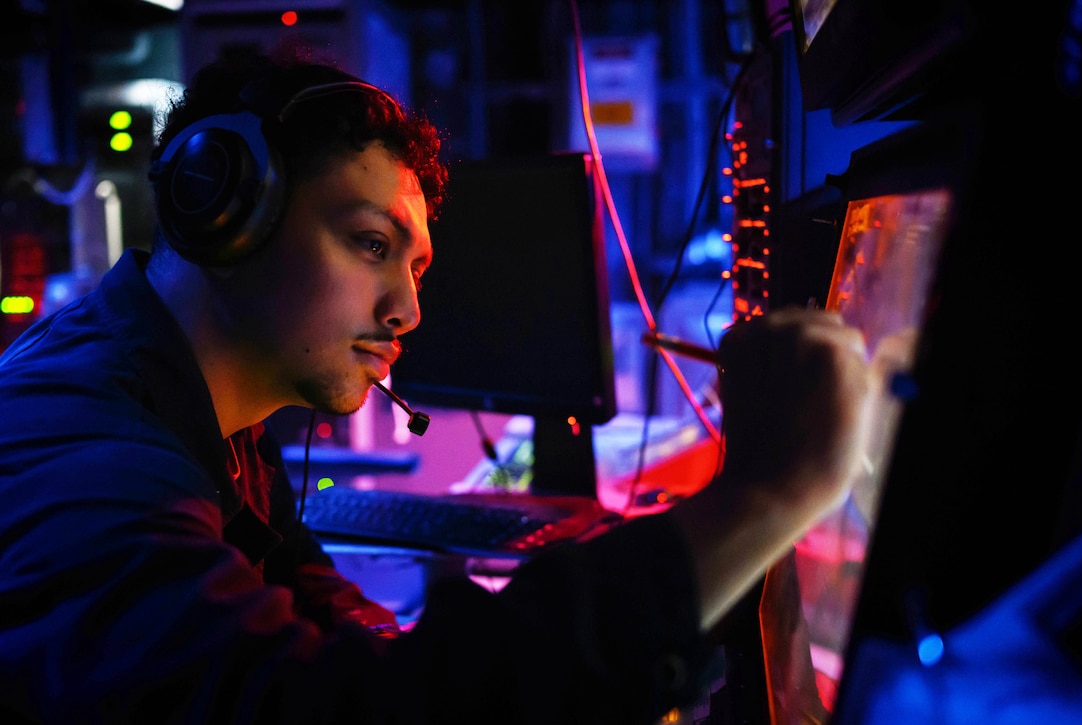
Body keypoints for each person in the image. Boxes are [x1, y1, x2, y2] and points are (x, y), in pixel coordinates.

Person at [0, 44, 876, 724]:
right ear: (222, 208)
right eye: (371, 244)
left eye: (415, 266)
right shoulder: (84, 450)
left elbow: (306, 594)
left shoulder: (198, 410)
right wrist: (773, 490)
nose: (407, 309)